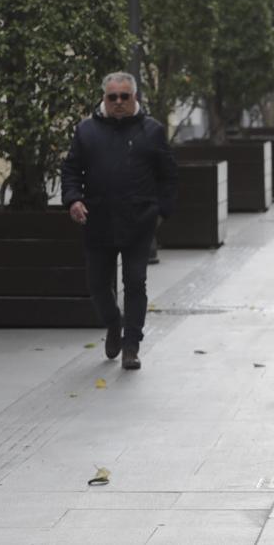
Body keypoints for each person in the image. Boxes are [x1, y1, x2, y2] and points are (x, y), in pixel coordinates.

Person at [61, 72, 177, 371]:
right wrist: (73, 200)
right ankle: (114, 323)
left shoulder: (152, 131)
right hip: (98, 220)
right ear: (104, 98)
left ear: (134, 97)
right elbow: (71, 170)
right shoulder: (86, 131)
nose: (119, 102)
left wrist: (162, 211)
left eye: (125, 96)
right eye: (113, 97)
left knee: (135, 282)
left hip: (139, 220)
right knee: (98, 284)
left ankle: (131, 346)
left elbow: (168, 174)